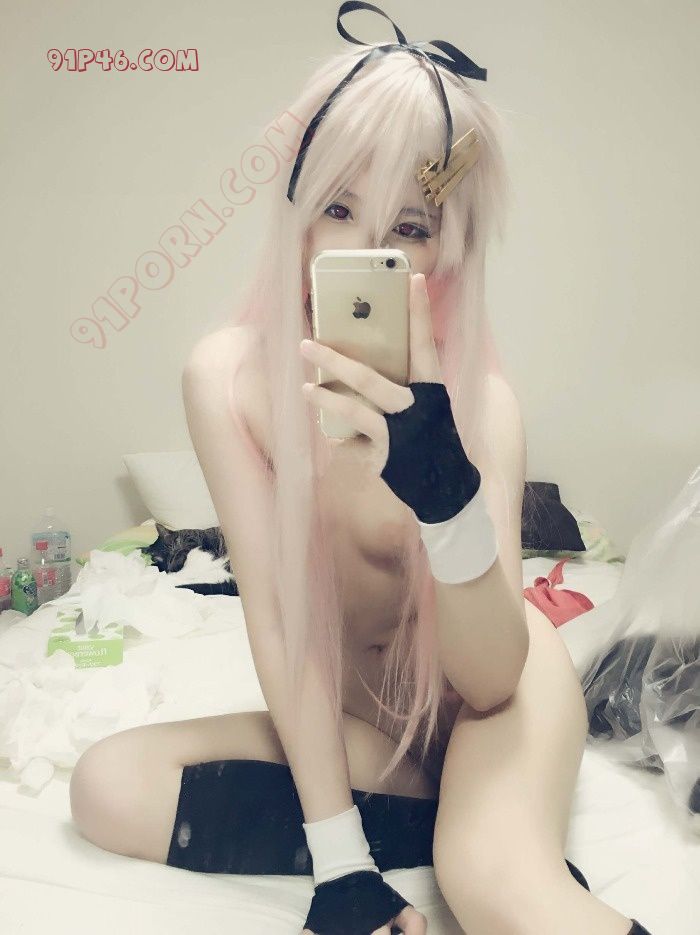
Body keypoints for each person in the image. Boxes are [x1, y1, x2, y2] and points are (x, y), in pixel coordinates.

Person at [68, 4, 653, 934]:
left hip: (494, 702)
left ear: (445, 248)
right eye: (337, 208)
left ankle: (490, 834)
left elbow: (492, 675)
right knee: (108, 786)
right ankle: (454, 821)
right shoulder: (227, 381)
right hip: (372, 733)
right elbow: (280, 623)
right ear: (298, 214)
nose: (361, 250)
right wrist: (340, 861)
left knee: (494, 887)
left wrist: (445, 498)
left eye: (408, 225)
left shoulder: (481, 405)